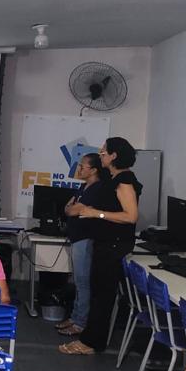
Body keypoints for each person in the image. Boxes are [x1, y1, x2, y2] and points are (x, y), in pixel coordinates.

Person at [60, 137, 142, 355]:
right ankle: (90, 338)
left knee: (102, 296)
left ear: (114, 156)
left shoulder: (124, 181)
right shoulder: (111, 178)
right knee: (98, 292)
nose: (101, 154)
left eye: (104, 152)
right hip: (105, 243)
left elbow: (131, 216)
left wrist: (97, 213)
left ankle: (91, 342)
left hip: (113, 246)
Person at [56, 153, 108, 336]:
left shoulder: (97, 189)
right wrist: (73, 209)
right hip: (77, 237)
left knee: (83, 282)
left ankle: (80, 322)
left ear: (93, 170)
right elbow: (67, 208)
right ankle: (75, 316)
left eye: (82, 166)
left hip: (85, 239)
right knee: (78, 282)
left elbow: (72, 210)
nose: (78, 169)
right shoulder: (83, 186)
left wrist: (73, 209)